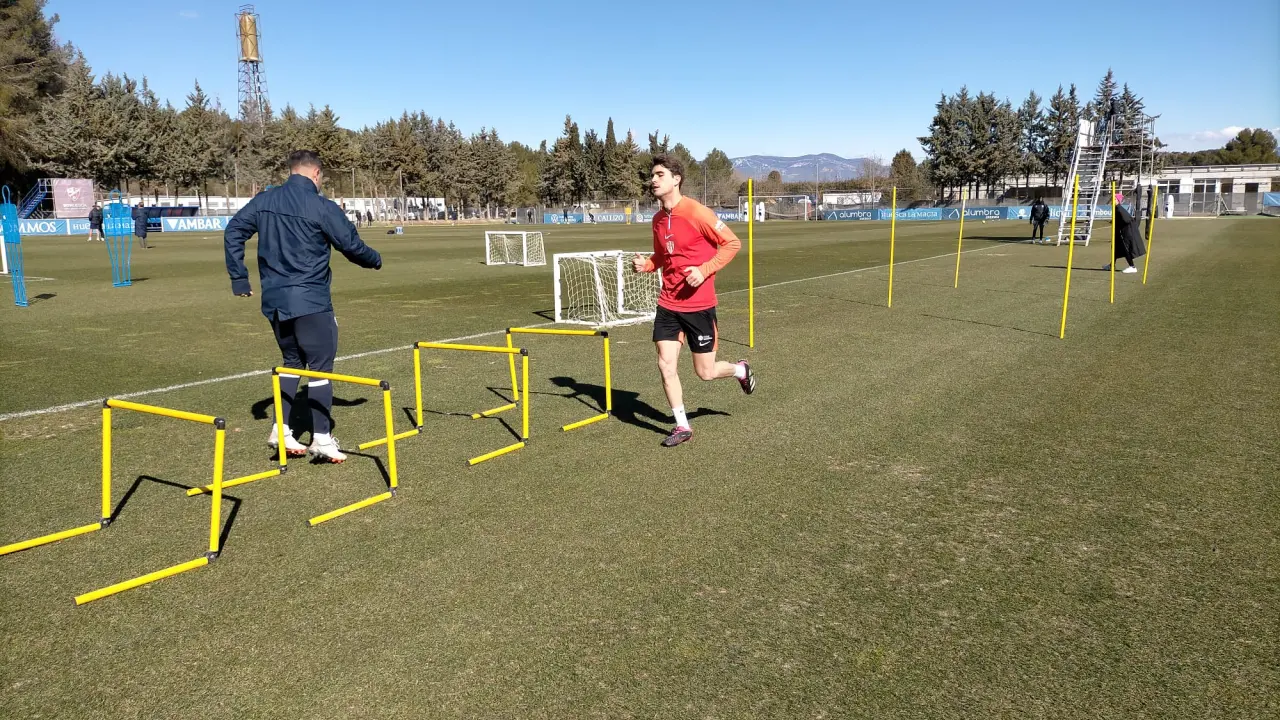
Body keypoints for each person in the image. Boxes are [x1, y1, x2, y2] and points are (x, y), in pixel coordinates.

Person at [224, 150, 383, 462]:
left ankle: (281, 430)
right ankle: (321, 438)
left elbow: (233, 231)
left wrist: (239, 278)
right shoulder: (321, 206)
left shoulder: (264, 200)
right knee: (321, 367)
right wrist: (375, 260)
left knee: (291, 361)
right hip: (310, 300)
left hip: (274, 301)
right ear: (316, 174)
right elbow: (350, 245)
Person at [632, 154, 756, 447]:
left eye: (660, 175)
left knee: (705, 372)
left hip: (698, 306)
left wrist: (704, 270)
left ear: (676, 179)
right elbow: (662, 256)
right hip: (668, 304)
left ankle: (740, 369)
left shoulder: (697, 212)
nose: (653, 180)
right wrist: (647, 265)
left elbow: (732, 243)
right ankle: (682, 426)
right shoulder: (658, 220)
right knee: (665, 365)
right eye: (652, 175)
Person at [1103, 192, 1146, 274]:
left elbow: (1127, 220)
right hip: (1120, 233)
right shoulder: (1116, 208)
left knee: (1126, 249)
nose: (1111, 200)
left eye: (1113, 199)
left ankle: (1132, 267)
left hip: (1125, 233)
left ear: (1117, 200)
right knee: (1115, 248)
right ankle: (1112, 265)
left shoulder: (1119, 209)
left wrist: (1117, 222)